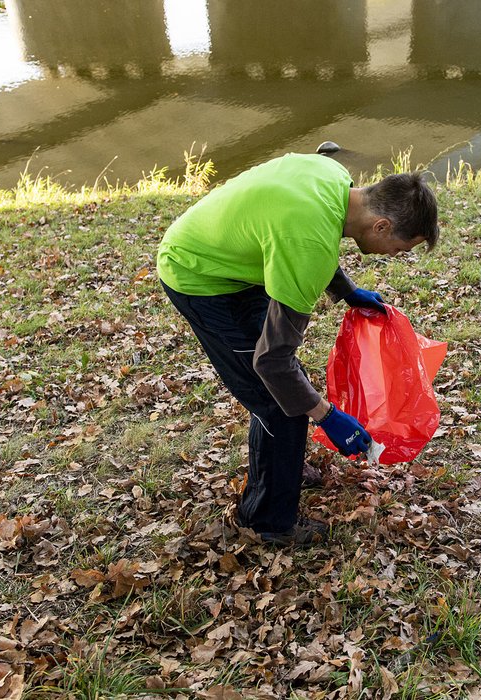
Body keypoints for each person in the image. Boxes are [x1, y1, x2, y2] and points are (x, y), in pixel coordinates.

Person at [156, 152, 439, 546]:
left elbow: (301, 233)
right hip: (197, 274)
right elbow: (272, 361)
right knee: (277, 398)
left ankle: (281, 465)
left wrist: (347, 290)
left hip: (237, 258)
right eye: (401, 248)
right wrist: (328, 416)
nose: (396, 256)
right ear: (382, 225)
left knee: (288, 392)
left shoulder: (333, 179)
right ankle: (267, 523)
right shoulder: (310, 247)